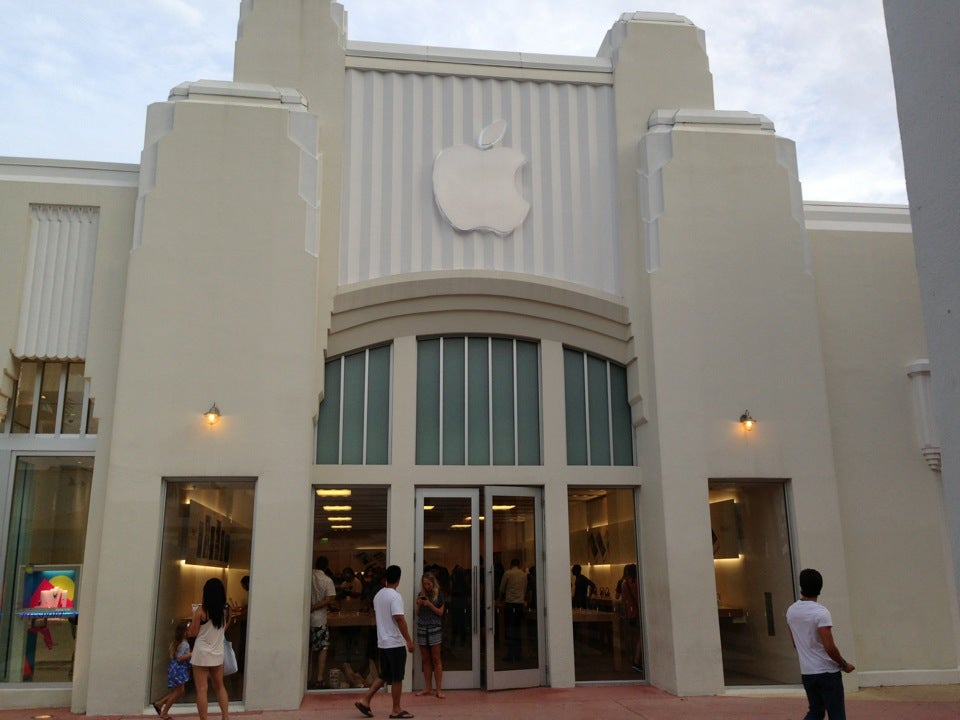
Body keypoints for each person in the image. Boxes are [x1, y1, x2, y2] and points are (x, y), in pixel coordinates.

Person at [786, 568, 855, 720]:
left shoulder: (791, 611)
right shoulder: (821, 613)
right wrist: (843, 664)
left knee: (816, 711)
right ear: (820, 588)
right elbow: (829, 646)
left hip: (808, 672)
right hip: (827, 672)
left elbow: (795, 644)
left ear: (801, 587)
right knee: (836, 715)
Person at [355, 564, 415, 720]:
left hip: (383, 642)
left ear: (385, 578)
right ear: (399, 579)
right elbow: (399, 619)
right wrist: (409, 640)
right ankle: (396, 709)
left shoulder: (379, 595)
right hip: (395, 642)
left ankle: (365, 700)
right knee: (397, 677)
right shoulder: (395, 596)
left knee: (385, 674)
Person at [187, 577, 232, 720]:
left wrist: (189, 627)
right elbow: (223, 629)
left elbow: (193, 633)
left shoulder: (201, 611)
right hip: (217, 653)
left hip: (201, 654)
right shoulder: (225, 610)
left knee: (202, 689)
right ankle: (225, 717)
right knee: (220, 687)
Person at [414, 571, 445, 698]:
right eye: (424, 584)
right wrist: (420, 605)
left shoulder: (439, 595)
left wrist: (429, 605)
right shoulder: (421, 594)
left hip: (434, 628)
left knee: (436, 659)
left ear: (433, 583)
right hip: (422, 627)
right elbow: (417, 613)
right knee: (425, 659)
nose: (426, 586)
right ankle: (427, 687)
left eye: (428, 584)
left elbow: (440, 613)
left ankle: (438, 689)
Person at [152, 620, 191, 718]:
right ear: (184, 632)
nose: (191, 631)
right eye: (189, 630)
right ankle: (164, 712)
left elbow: (172, 656)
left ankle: (160, 703)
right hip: (179, 669)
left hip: (174, 668)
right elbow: (179, 658)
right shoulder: (184, 644)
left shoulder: (177, 643)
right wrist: (191, 654)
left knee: (179, 690)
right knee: (178, 691)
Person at [310, 556, 338, 689]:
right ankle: (319, 677)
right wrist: (314, 607)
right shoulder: (327, 580)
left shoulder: (307, 576)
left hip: (306, 619)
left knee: (308, 649)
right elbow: (328, 600)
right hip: (320, 619)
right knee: (322, 648)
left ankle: (307, 676)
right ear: (326, 566)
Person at [499, 558, 526, 662]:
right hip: (520, 605)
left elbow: (501, 589)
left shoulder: (507, 573)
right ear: (519, 564)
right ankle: (518, 655)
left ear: (511, 564)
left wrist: (500, 598)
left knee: (510, 630)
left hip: (510, 604)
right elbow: (524, 588)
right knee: (518, 629)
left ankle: (510, 654)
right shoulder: (523, 575)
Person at [617, 564, 643, 672]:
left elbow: (621, 600)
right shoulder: (639, 583)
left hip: (630, 613)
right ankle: (637, 660)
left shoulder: (624, 583)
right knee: (640, 636)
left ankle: (632, 656)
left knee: (632, 635)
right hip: (638, 612)